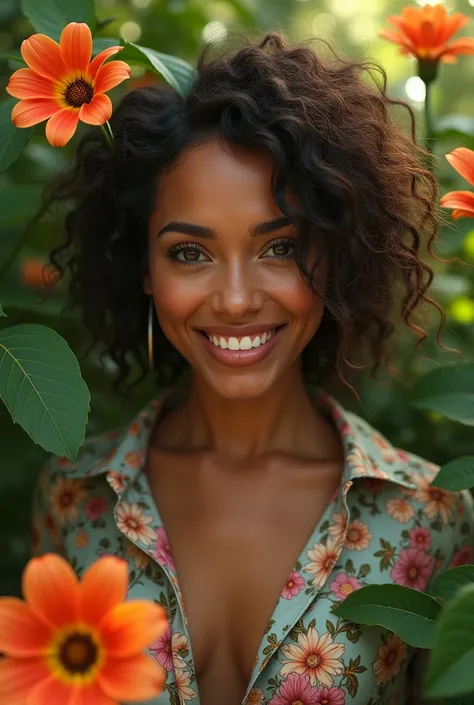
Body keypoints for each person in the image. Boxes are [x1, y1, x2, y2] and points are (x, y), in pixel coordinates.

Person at [32, 31, 474, 705]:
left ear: (334, 255)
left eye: (280, 246)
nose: (236, 299)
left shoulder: (430, 517)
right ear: (143, 269)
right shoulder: (73, 498)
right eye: (189, 253)